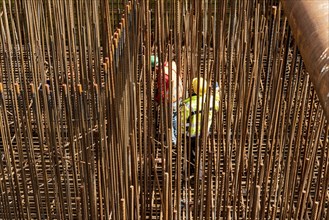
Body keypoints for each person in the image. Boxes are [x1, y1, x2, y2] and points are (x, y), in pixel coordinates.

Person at [180, 77, 219, 178]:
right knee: (197, 150)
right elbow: (217, 103)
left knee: (192, 153)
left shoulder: (188, 104)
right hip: (205, 131)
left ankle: (198, 174)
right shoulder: (211, 100)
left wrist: (183, 132)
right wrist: (217, 90)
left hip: (192, 134)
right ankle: (195, 171)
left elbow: (182, 121)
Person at [154, 58, 183, 146]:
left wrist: (157, 99)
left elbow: (162, 93)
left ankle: (173, 140)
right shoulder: (172, 64)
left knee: (168, 120)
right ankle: (176, 136)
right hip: (178, 95)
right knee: (175, 117)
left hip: (170, 100)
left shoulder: (163, 75)